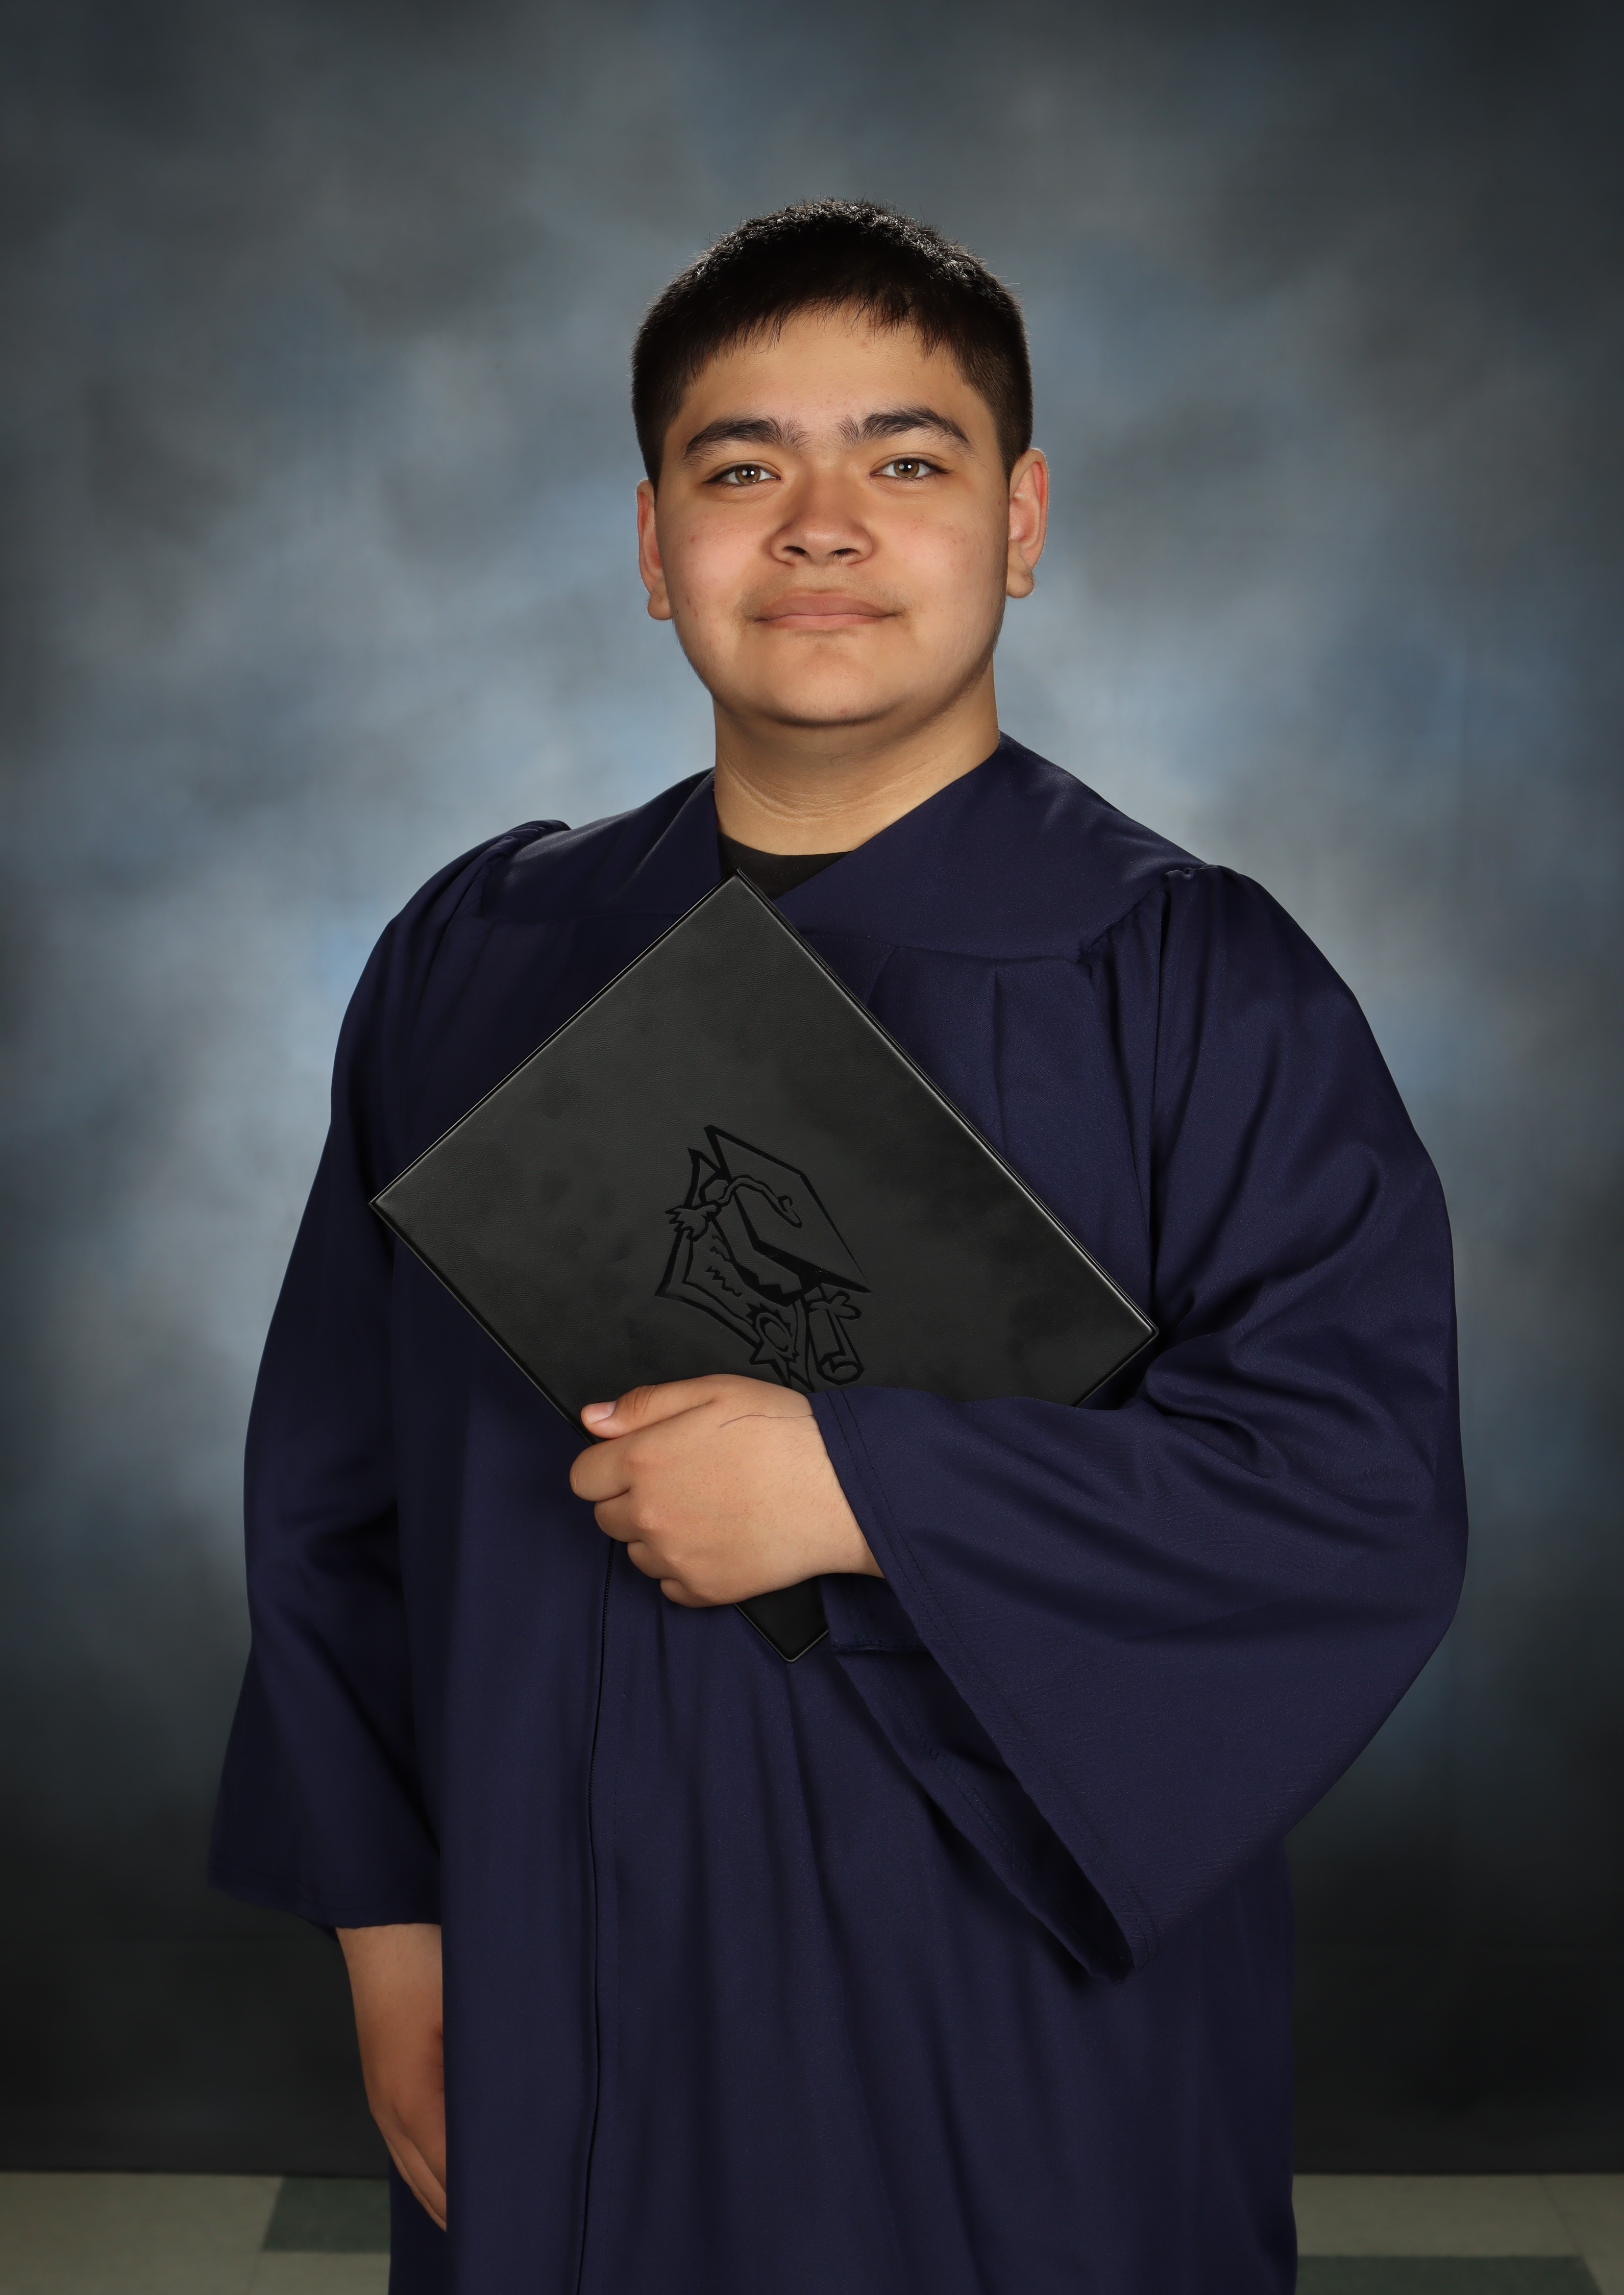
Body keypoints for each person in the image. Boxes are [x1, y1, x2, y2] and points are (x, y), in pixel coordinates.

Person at [211, 201, 1466, 2294]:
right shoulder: (479, 958)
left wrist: (859, 1488)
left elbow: (1349, 1492)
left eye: (904, 457)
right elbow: (331, 1491)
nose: (819, 526)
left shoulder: (1193, 984)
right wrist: (389, 1921)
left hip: (1003, 2024)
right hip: (560, 1976)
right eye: (740, 467)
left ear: (1019, 520)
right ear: (651, 546)